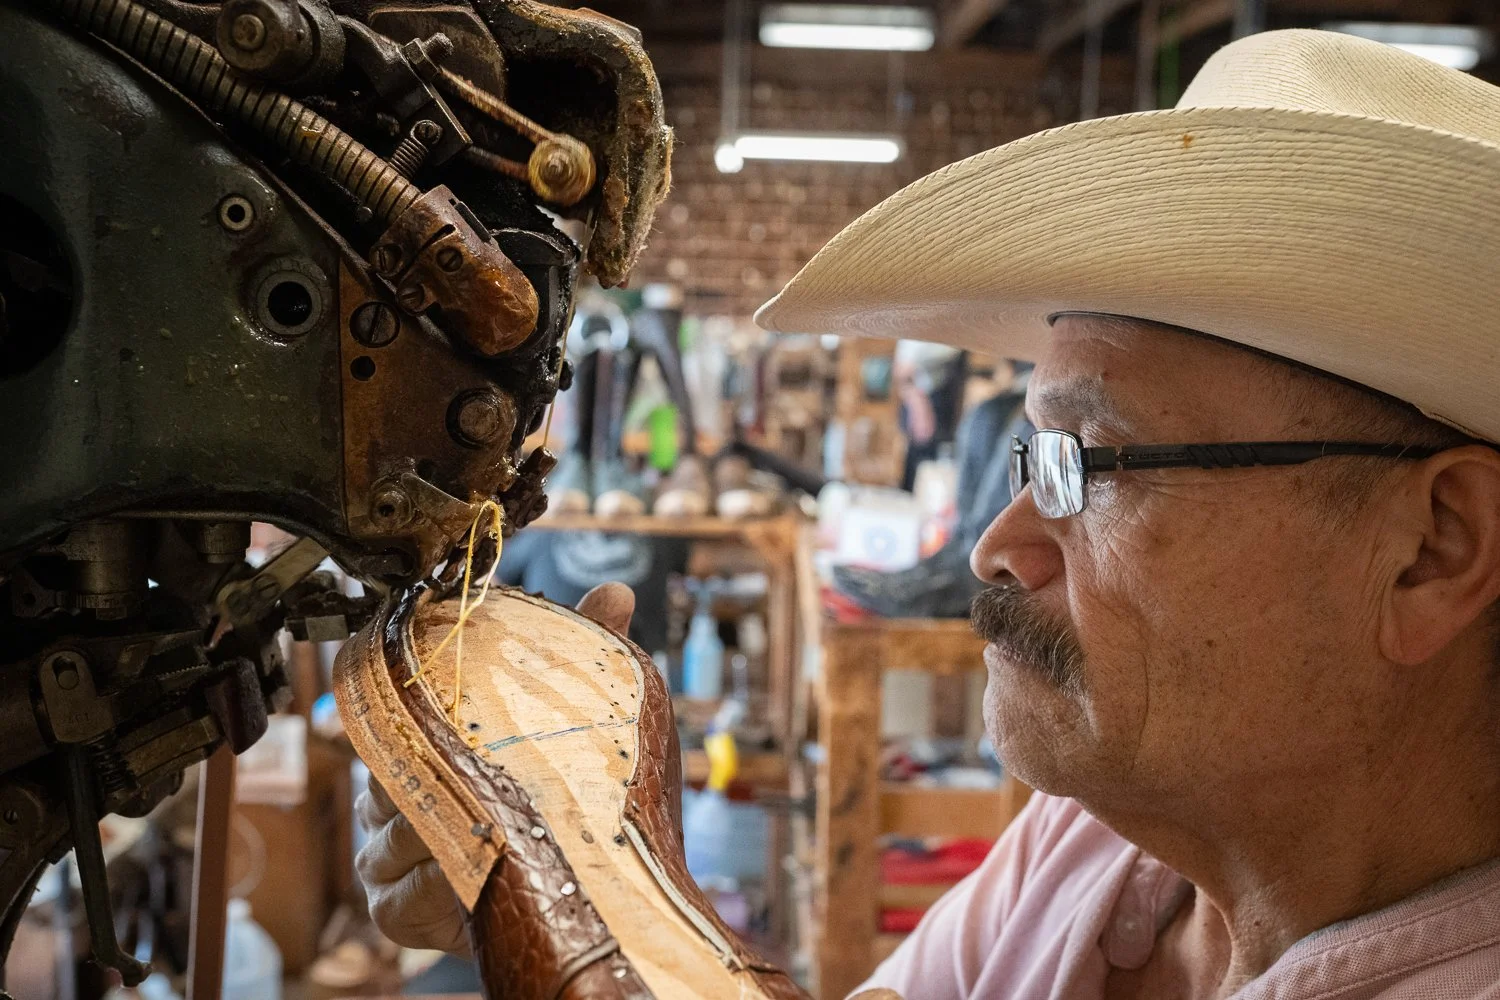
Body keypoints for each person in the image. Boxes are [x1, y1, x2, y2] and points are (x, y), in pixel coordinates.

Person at [357, 28, 1500, 999]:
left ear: (1433, 549)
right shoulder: (1093, 852)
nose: (997, 548)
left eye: (1094, 461)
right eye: (1034, 454)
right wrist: (572, 880)